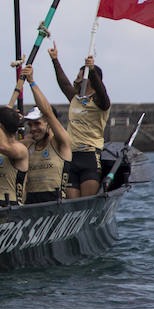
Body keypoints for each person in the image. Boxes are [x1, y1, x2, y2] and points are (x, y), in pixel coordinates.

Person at [48, 42, 111, 199]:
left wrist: (92, 70)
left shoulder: (101, 103)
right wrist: (55, 60)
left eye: (80, 76)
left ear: (88, 79)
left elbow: (102, 91)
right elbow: (64, 84)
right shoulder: (75, 99)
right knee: (72, 204)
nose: (76, 79)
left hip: (90, 157)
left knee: (86, 201)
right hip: (71, 156)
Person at [18, 65, 74, 202]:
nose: (32, 128)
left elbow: (48, 112)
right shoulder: (28, 144)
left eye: (37, 123)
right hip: (31, 203)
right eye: (30, 125)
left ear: (49, 124)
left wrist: (31, 82)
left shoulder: (60, 142)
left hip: (55, 202)